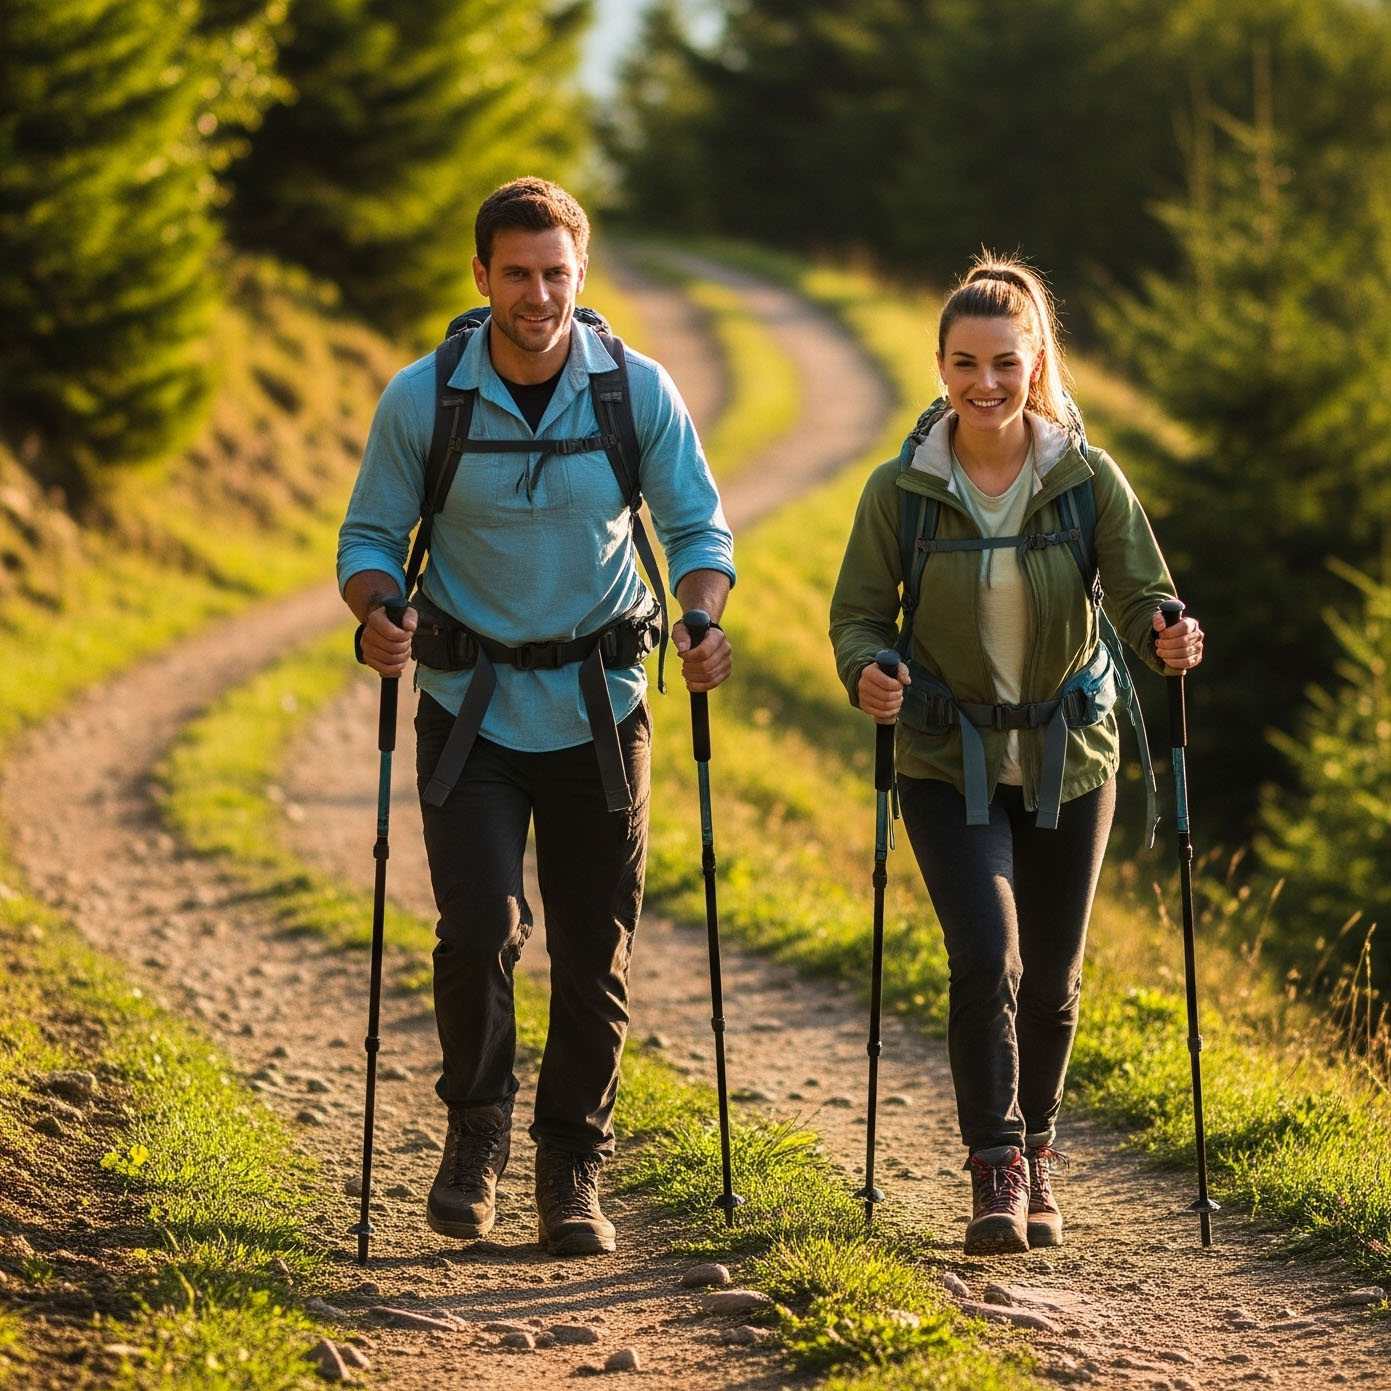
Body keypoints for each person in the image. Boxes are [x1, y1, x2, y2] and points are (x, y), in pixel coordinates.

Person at [338, 177, 735, 1258]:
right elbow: (368, 538)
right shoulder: (425, 398)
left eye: (555, 272)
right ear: (481, 277)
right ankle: (474, 1138)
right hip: (468, 706)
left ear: (580, 273)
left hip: (602, 707)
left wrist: (699, 621)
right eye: (516, 272)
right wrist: (379, 612)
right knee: (477, 930)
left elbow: (699, 531)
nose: (537, 294)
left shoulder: (633, 390)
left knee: (592, 950)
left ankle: (571, 1167)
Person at [829, 254, 1203, 1255]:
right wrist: (867, 669)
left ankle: (1037, 1146)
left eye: (1003, 362)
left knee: (1050, 980)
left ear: (1034, 364)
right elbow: (858, 617)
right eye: (963, 363)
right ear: (939, 365)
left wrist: (1166, 631)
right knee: (983, 957)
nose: (982, 383)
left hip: (1067, 755)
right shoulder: (899, 489)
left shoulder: (1082, 478)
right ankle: (994, 1164)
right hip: (942, 756)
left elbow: (1138, 593)